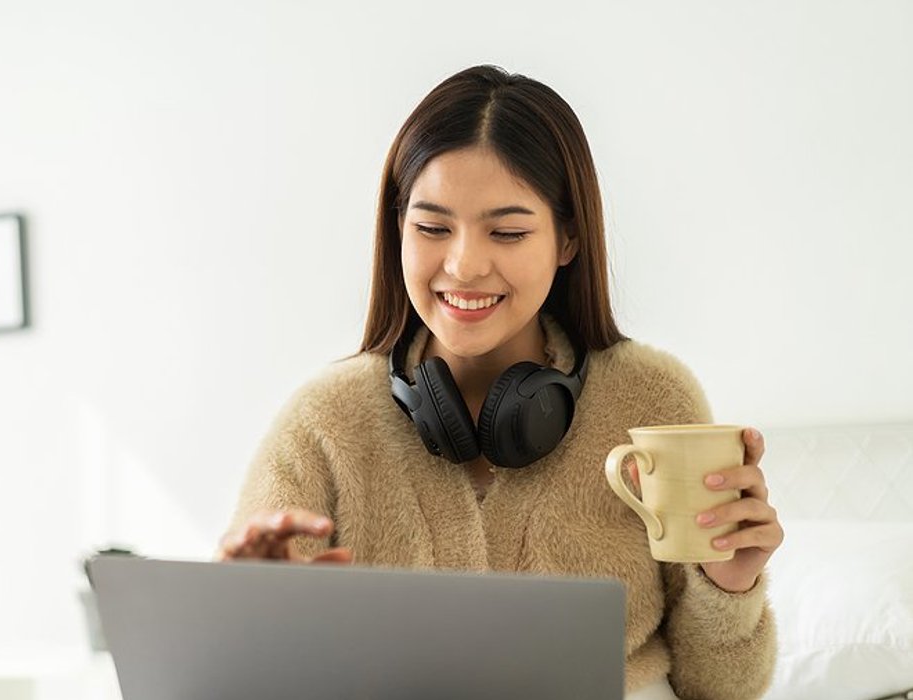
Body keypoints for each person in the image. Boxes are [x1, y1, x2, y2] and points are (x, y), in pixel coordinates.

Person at [219, 65, 782, 700]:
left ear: (568, 237)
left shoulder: (653, 400)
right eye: (432, 228)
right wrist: (239, 618)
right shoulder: (325, 420)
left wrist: (729, 587)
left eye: (508, 232)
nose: (463, 266)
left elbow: (723, 691)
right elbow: (244, 682)